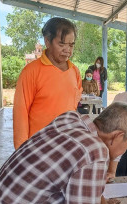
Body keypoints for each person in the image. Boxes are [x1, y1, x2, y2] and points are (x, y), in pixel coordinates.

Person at [13, 17, 82, 149]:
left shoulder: (75, 72)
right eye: (61, 44)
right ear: (47, 41)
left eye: (71, 45)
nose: (68, 50)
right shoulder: (31, 72)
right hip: (38, 148)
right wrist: (21, 151)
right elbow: (20, 113)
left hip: (66, 146)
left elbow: (73, 109)